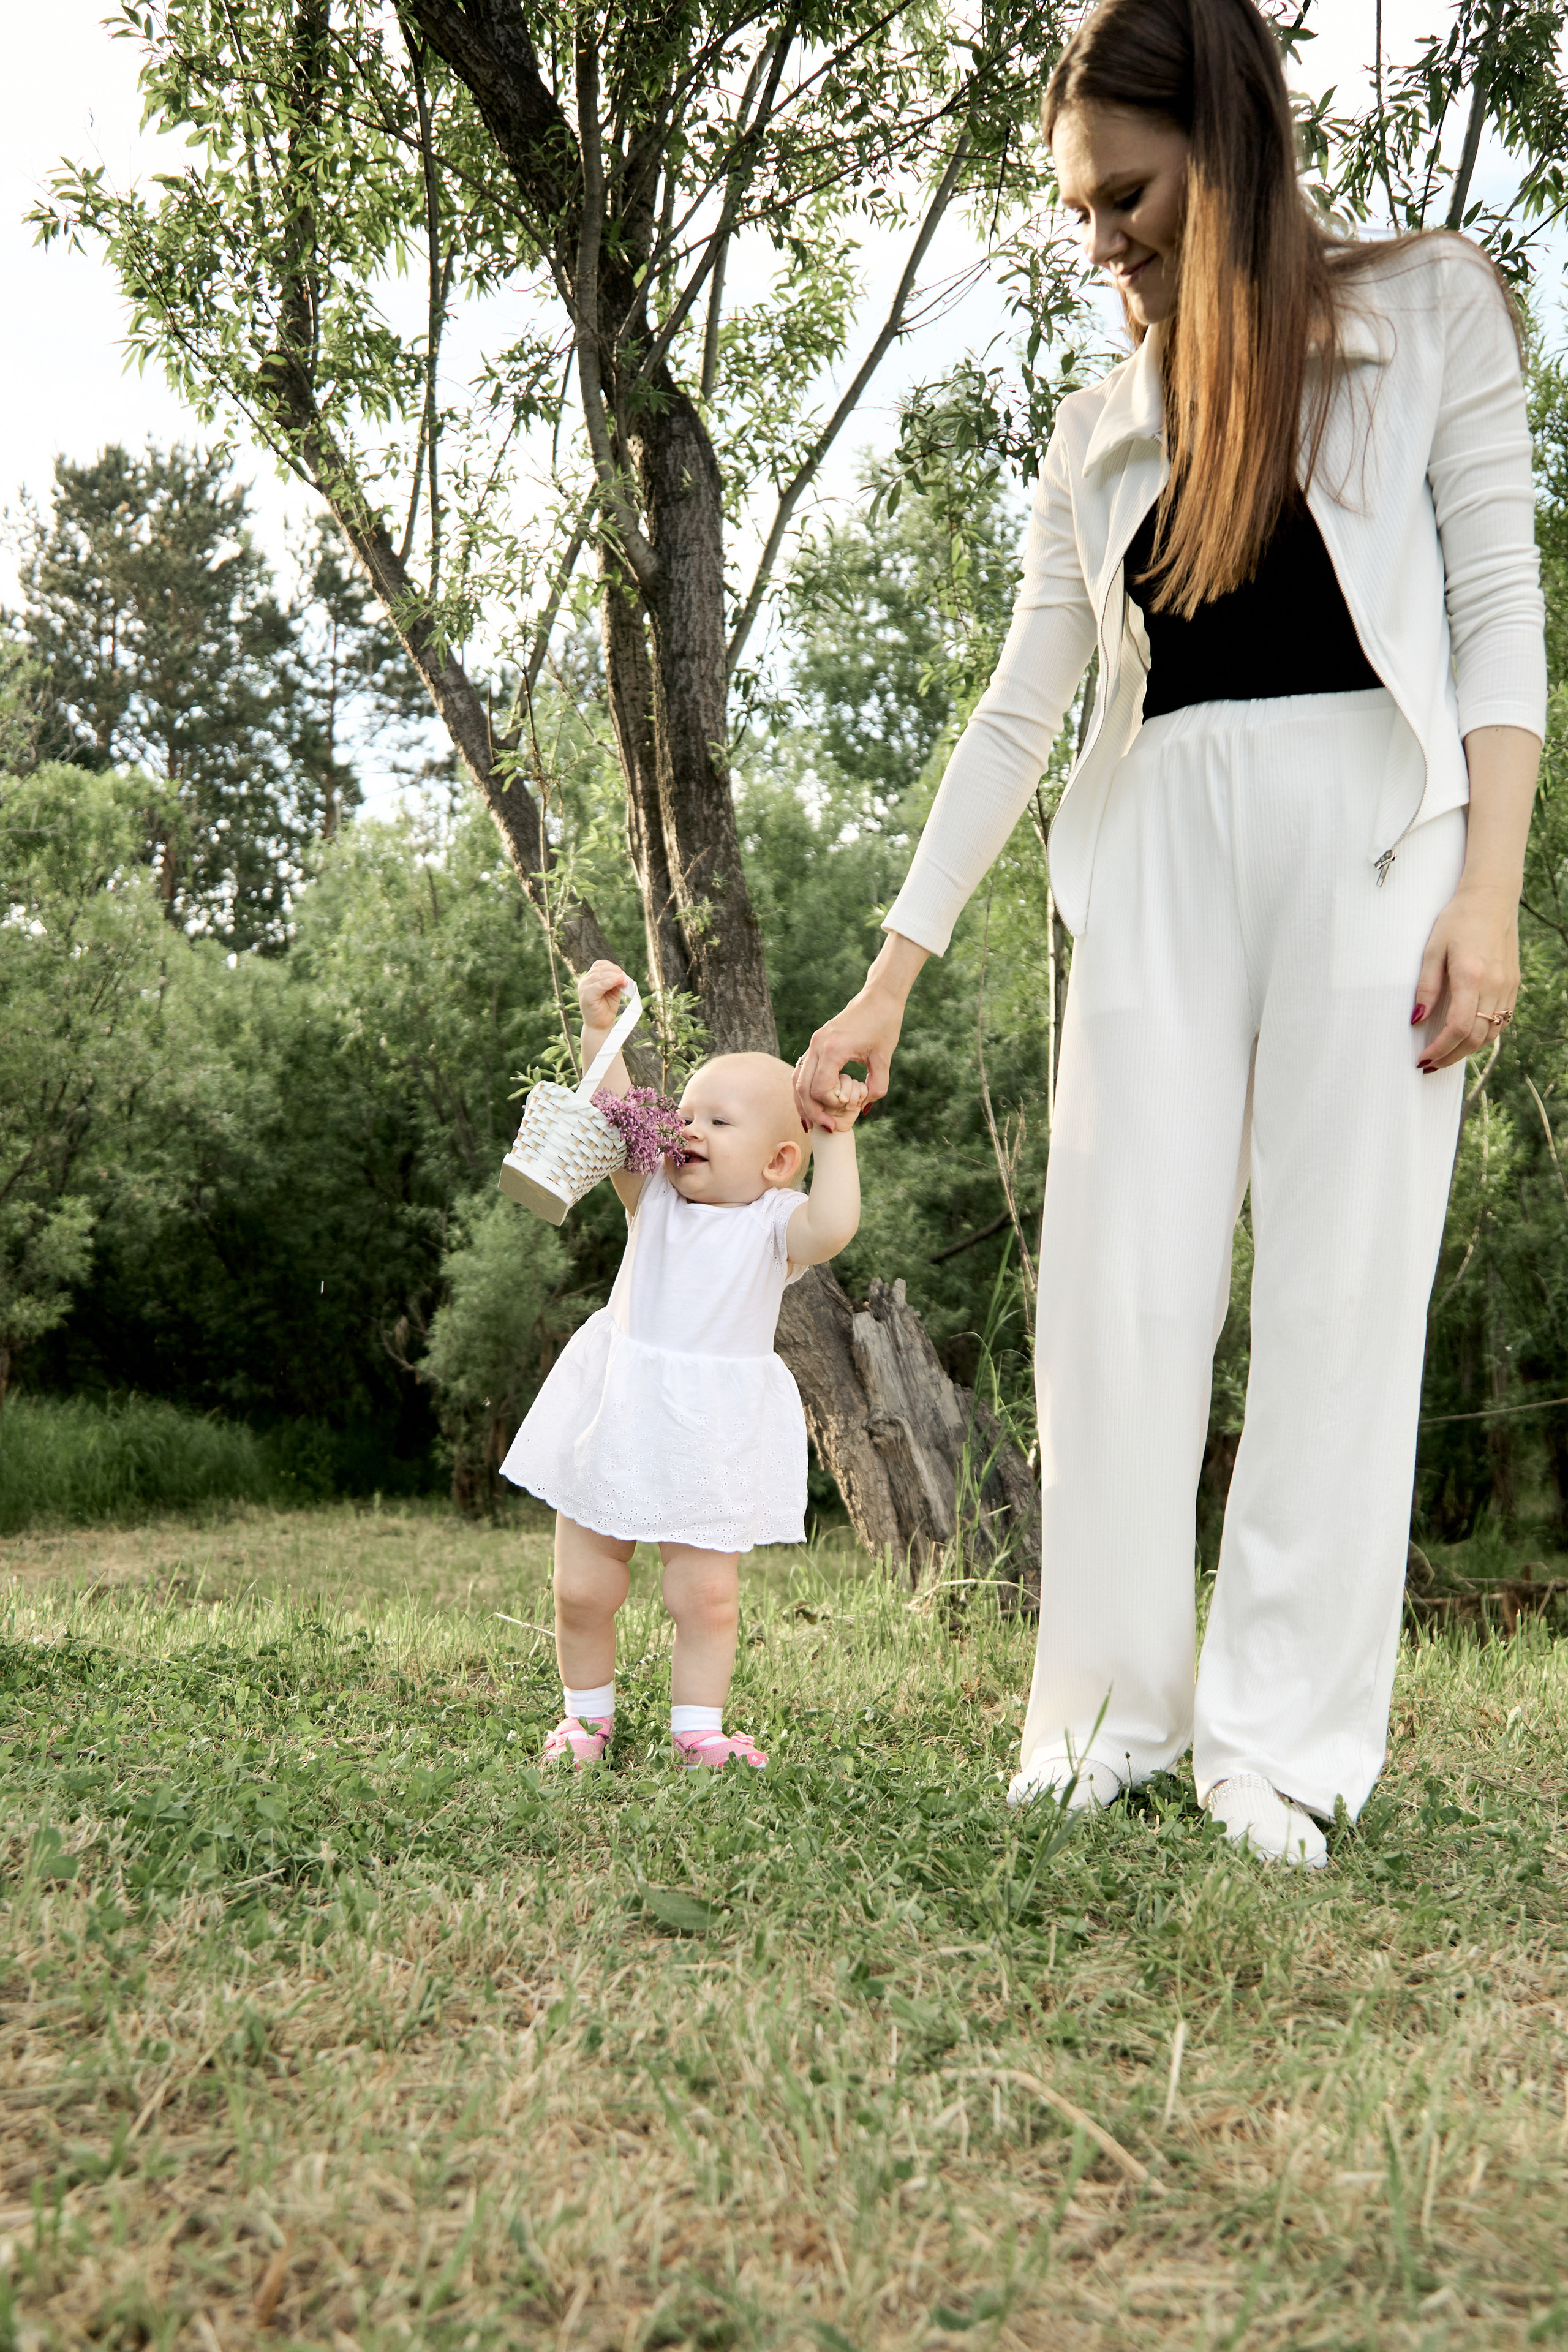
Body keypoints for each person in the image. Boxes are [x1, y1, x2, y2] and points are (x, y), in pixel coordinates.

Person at [794, 0, 1545, 1864]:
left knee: (1342, 1298)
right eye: (1076, 207)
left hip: (1380, 840)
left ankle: (1278, 1746)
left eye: (1124, 193)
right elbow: (1014, 708)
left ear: (1226, 144)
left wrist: (1493, 891)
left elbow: (1501, 611)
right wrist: (894, 973)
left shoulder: (1432, 310)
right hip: (1147, 865)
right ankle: (1108, 1722)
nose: (1098, 233)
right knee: (1114, 1295)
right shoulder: (1096, 429)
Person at [505, 960, 864, 1771]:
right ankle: (586, 1723)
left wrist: (836, 1135)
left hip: (709, 1432)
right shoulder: (654, 1196)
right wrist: (602, 1028)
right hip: (622, 1409)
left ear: (777, 1163)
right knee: (584, 1589)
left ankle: (698, 1730)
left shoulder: (778, 1226)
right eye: (687, 1114)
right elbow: (612, 1110)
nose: (689, 1130)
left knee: (704, 1597)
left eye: (718, 1123)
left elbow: (836, 1223)